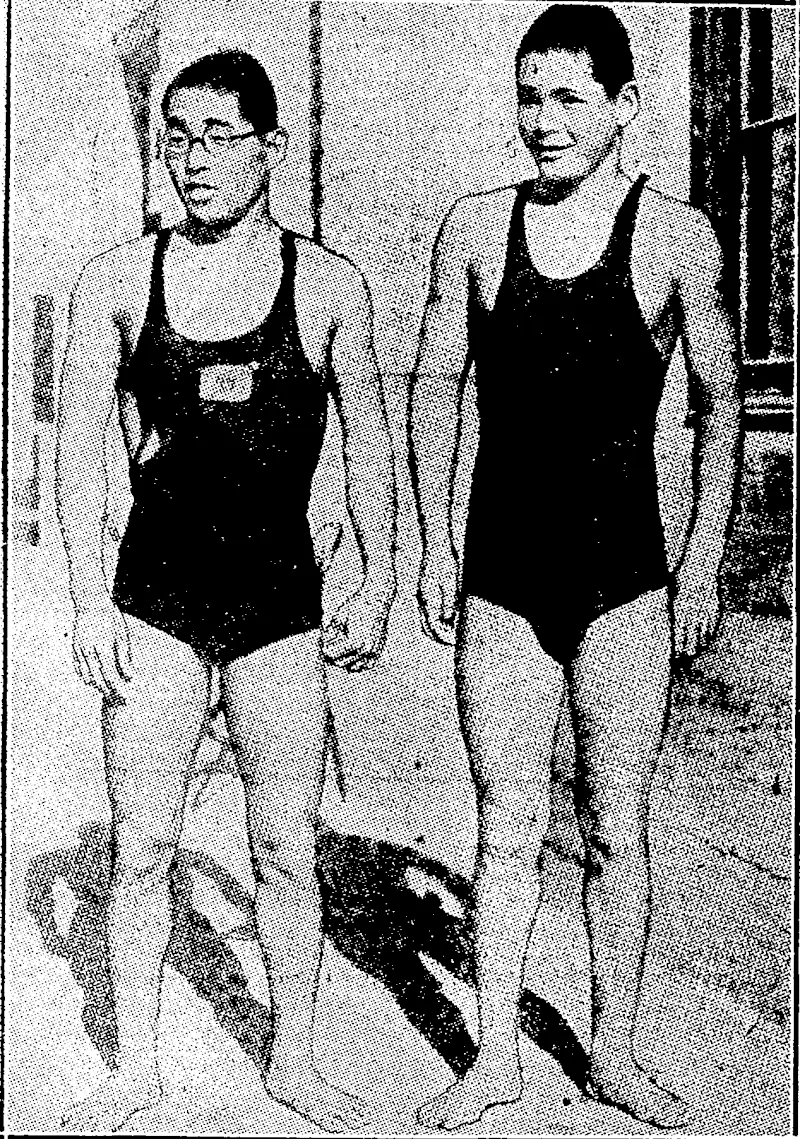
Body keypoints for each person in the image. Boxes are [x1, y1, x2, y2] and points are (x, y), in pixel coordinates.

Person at [410, 5, 740, 1130]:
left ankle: (615, 1053)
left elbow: (720, 403)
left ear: (623, 105)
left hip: (624, 581)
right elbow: (432, 385)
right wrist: (433, 538)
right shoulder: (472, 228)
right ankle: (494, 1054)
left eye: (566, 97)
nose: (542, 120)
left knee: (615, 828)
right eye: (527, 96)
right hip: (502, 579)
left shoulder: (676, 237)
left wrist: (702, 560)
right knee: (505, 827)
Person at [56, 49, 396, 1134]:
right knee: (142, 844)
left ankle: (295, 1059)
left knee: (285, 848)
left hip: (277, 605)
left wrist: (378, 576)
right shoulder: (118, 280)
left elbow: (372, 445)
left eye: (217, 136)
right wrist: (86, 600)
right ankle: (136, 1068)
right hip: (155, 599)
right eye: (177, 138)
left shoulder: (330, 285)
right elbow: (75, 456)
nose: (194, 159)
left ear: (270, 146)